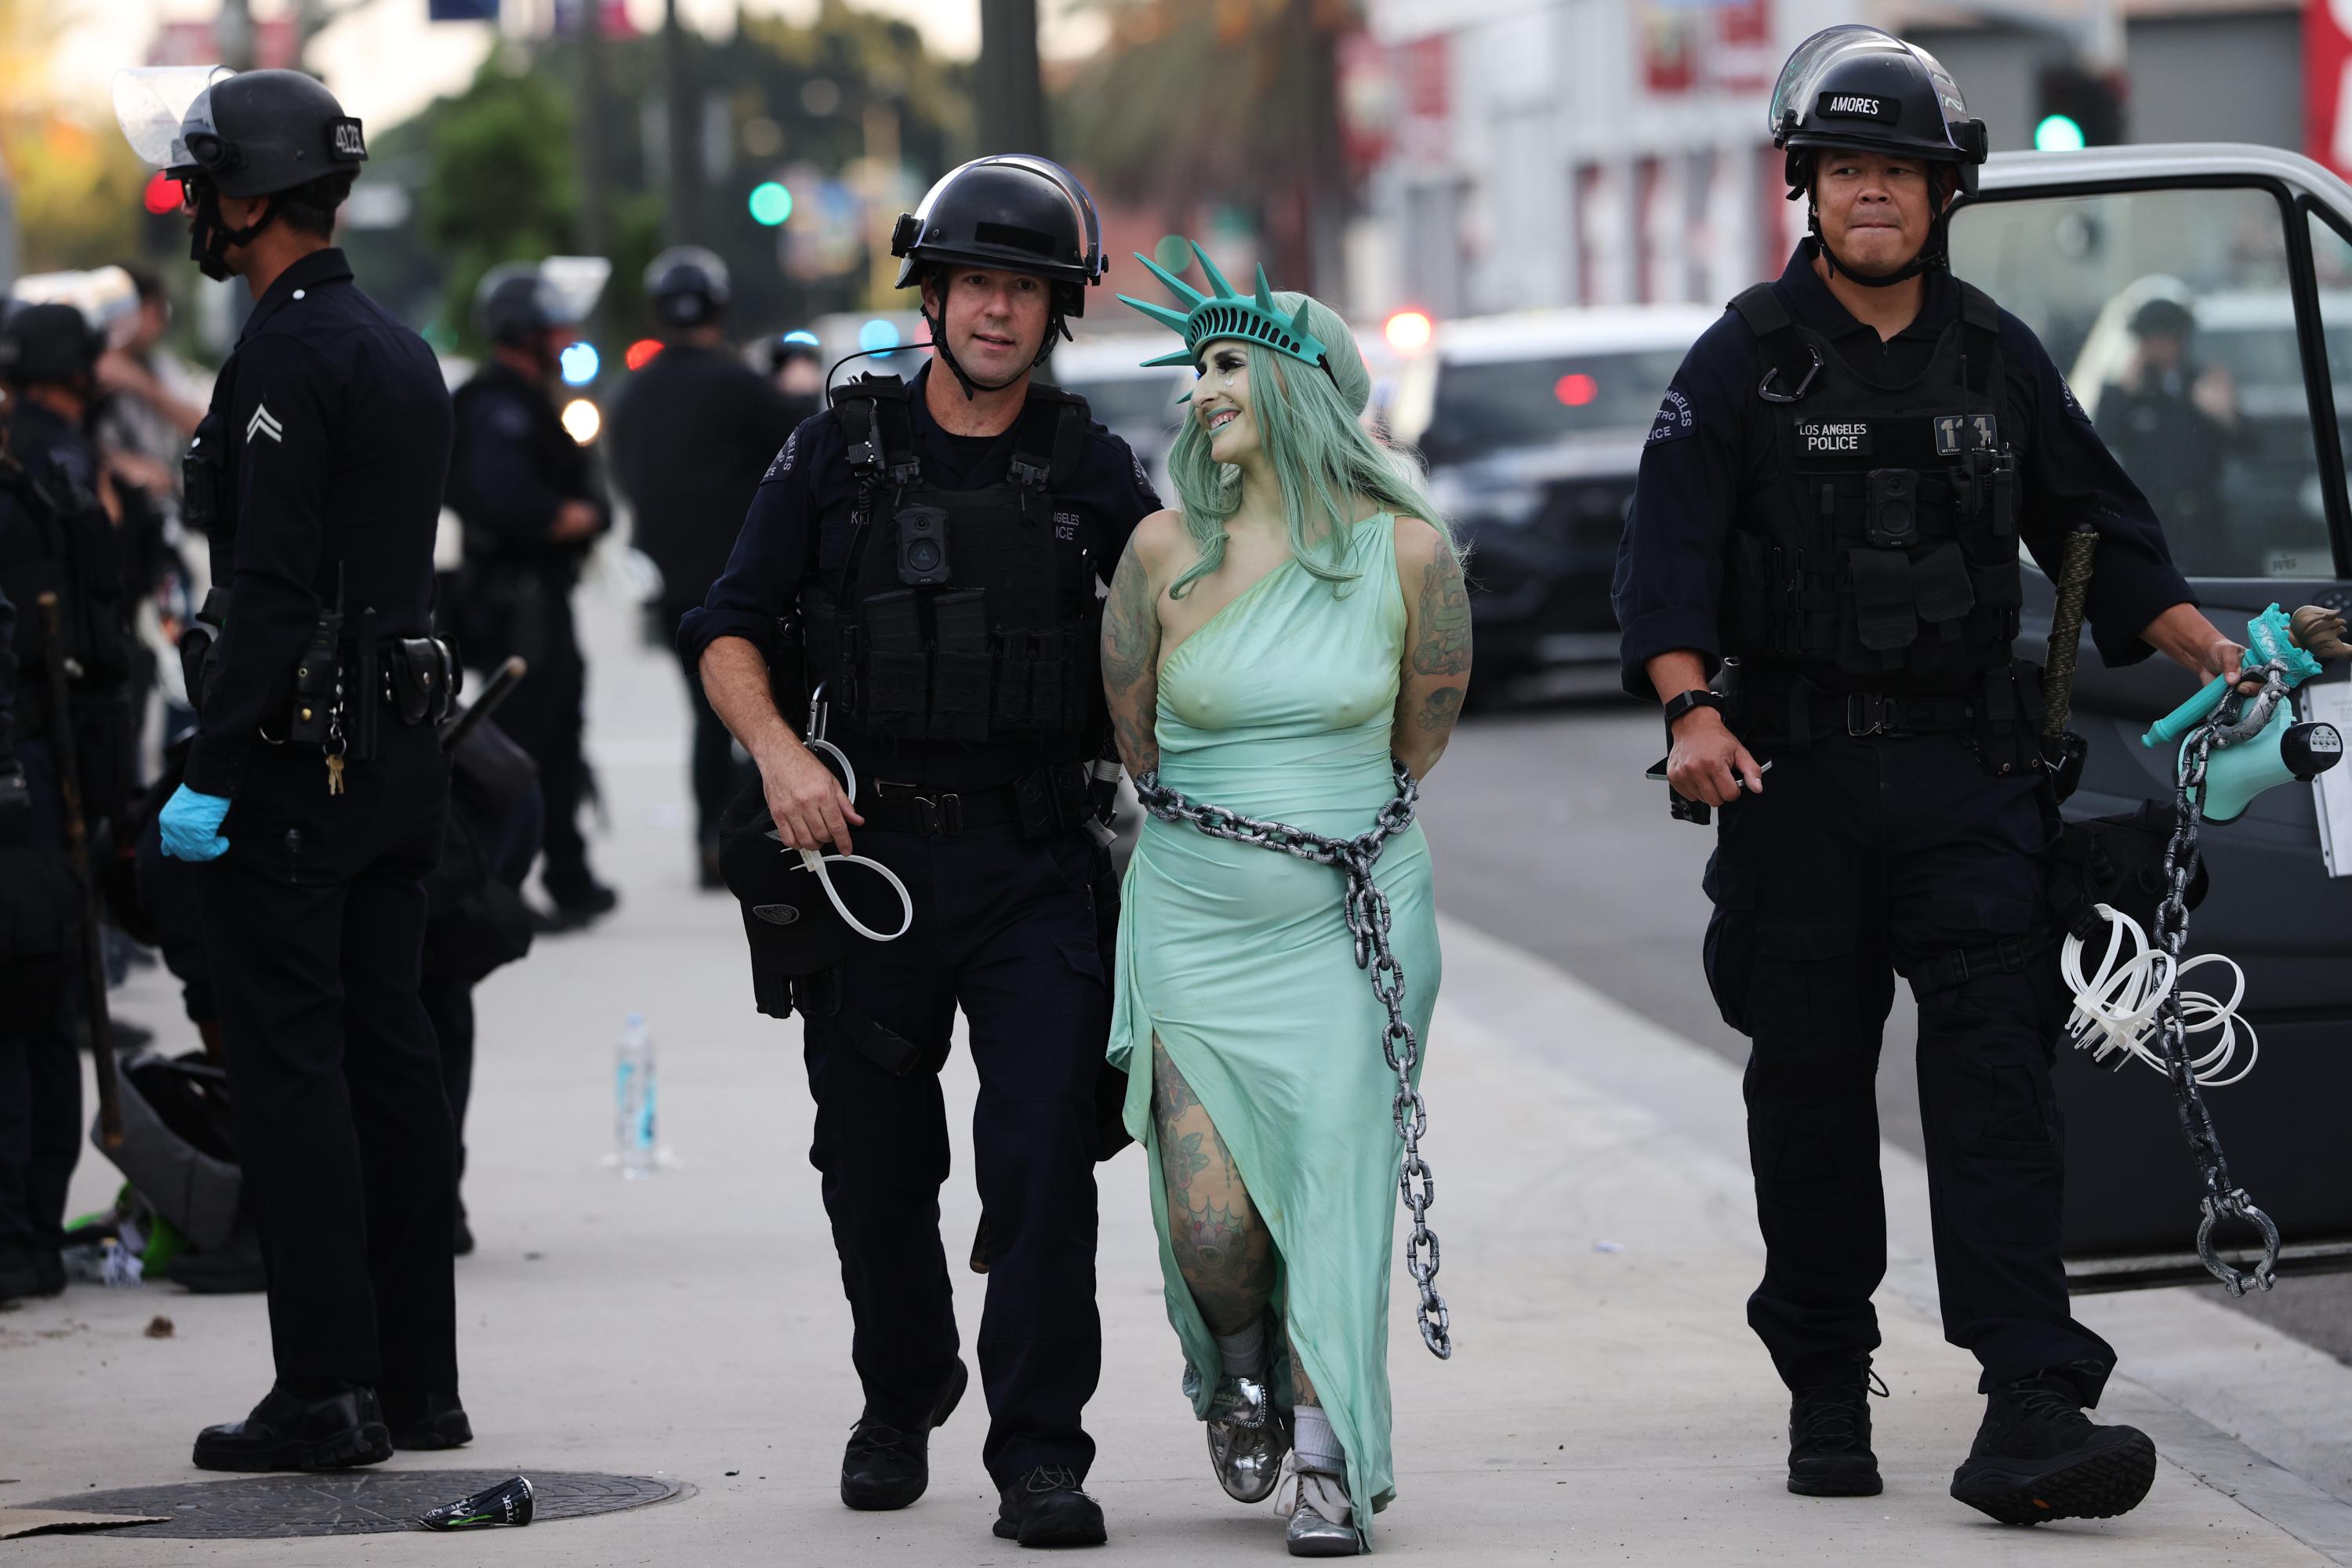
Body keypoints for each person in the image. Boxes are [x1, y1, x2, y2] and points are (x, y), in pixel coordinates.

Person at [1613, 24, 2273, 1526]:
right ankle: (1829, 1385)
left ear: (1945, 194)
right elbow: (1664, 563)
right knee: (1811, 1100)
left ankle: (2031, 1400)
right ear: (1809, 187)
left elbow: (2099, 528)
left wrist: (2201, 645)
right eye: (1847, 170)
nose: (1873, 196)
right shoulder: (1743, 363)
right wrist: (1691, 712)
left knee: (1994, 1094)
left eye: (1901, 174)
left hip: (1973, 782)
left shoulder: (1997, 358)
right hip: (1798, 789)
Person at [683, 154, 1159, 1549]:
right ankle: (903, 1397)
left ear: (1057, 311)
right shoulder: (835, 449)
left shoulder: (1091, 471)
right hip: (868, 866)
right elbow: (728, 627)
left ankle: (1040, 1454)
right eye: (976, 284)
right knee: (876, 1165)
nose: (999, 312)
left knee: (1041, 1159)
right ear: (934, 294)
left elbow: (1184, 635)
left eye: (1027, 289)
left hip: (1032, 868)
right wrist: (779, 758)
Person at [122, 63, 466, 1470]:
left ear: (252, 198)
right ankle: (418, 1384)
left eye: (204, 184)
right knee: (395, 1063)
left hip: (295, 773)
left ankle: (324, 1392)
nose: (194, 206)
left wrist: (207, 770)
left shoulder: (280, 355)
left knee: (292, 1073)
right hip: (398, 766)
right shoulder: (395, 344)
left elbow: (265, 590)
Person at [1101, 242, 1466, 1558]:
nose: (1202, 391)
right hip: (1196, 918)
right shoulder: (1157, 552)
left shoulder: (1412, 554)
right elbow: (1135, 739)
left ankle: (1328, 1455)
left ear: (1306, 387)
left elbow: (1422, 735)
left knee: (1332, 1186)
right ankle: (1237, 1359)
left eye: (1228, 364)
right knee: (1212, 1218)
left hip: (1353, 919)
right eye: (1195, 367)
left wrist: (1322, 830)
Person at [0, 299, 134, 1305]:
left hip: (19, 779)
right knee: (38, 1010)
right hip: (60, 778)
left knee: (15, 1016)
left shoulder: (23, 487)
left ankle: (16, 1238)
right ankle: (32, 1230)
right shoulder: (54, 480)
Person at [607, 248, 801, 886]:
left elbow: (626, 480)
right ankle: (749, 836)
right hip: (740, 589)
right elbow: (806, 442)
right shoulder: (739, 383)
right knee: (761, 715)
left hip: (668, 588)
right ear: (720, 307)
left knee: (704, 716)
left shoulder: (634, 391)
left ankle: (709, 843)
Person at [445, 261, 614, 928]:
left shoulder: (531, 398)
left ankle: (567, 878)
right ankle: (502, 886)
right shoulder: (499, 406)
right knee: (524, 745)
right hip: (517, 607)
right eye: (555, 326)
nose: (567, 336)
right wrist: (566, 517)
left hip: (540, 599)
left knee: (559, 738)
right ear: (524, 331)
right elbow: (508, 499)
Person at [2096, 296, 2238, 565]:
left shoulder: (2203, 382)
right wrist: (2123, 394)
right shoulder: (2128, 390)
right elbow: (2101, 439)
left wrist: (2225, 414)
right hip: (2150, 517)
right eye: (2150, 339)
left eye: (2166, 337)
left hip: (2204, 518)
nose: (2159, 346)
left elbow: (2249, 445)